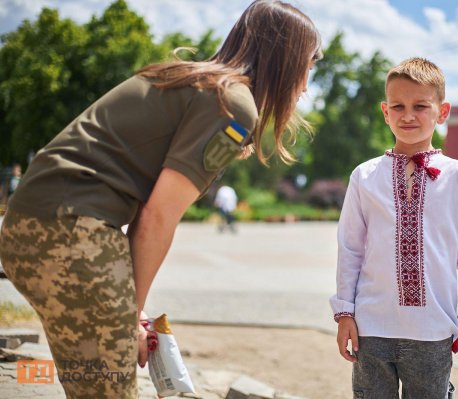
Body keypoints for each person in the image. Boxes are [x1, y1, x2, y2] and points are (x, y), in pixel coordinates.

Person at [0, 1, 321, 397]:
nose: (308, 78)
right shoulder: (232, 104)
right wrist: (130, 314)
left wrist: (128, 307)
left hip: (32, 229)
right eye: (311, 61)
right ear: (287, 58)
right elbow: (157, 216)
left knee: (90, 386)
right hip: (70, 235)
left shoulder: (189, 80)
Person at [330, 57, 458, 399]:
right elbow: (350, 249)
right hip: (371, 327)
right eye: (398, 106)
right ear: (385, 112)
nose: (408, 115)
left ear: (442, 112)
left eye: (420, 106)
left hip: (432, 330)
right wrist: (345, 312)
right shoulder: (364, 175)